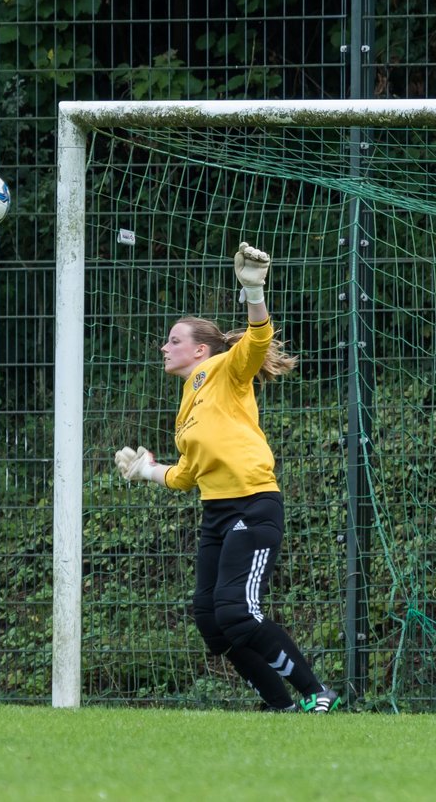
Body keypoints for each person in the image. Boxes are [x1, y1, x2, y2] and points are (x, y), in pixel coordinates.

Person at [114, 242, 340, 713]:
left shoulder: (223, 370)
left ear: (200, 349)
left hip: (253, 504)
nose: (164, 346)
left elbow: (257, 343)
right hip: (216, 513)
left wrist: (252, 290)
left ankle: (318, 693)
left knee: (239, 612)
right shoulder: (187, 408)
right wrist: (147, 471)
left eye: (173, 340)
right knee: (212, 623)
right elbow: (188, 476)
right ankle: (279, 707)